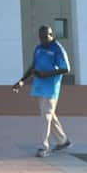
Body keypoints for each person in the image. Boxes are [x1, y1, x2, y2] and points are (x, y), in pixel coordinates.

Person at [12, 25, 72, 158]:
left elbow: (66, 68)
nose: (45, 39)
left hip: (51, 87)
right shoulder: (38, 49)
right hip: (40, 86)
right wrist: (22, 81)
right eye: (42, 37)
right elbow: (33, 66)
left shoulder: (58, 49)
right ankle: (63, 141)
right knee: (49, 114)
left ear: (52, 35)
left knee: (46, 116)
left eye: (47, 36)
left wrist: (46, 74)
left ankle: (43, 147)